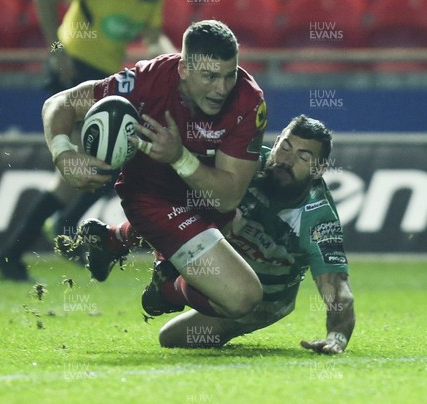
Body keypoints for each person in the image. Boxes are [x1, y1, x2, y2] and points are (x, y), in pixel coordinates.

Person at [65, 115, 355, 354]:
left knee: (172, 338)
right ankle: (115, 240)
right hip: (217, 250)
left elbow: (336, 287)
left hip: (263, 301)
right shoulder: (244, 165)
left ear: (319, 169)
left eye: (303, 157)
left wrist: (336, 338)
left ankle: (168, 285)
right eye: (286, 148)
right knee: (202, 196)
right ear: (275, 142)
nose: (287, 161)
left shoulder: (317, 217)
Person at [43, 20, 269, 319]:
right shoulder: (145, 81)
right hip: (152, 198)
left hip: (209, 198)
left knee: (252, 215)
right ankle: (166, 282)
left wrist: (178, 156)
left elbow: (227, 197)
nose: (222, 88)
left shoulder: (249, 101)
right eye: (210, 76)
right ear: (184, 69)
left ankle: (118, 244)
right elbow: (60, 102)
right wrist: (63, 154)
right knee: (244, 298)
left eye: (229, 76)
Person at [0, 0, 176, 281]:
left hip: (106, 79)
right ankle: (27, 245)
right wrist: (57, 52)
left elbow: (153, 35)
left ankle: (21, 248)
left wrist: (175, 60)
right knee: (96, 165)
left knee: (101, 166)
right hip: (75, 70)